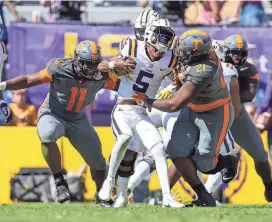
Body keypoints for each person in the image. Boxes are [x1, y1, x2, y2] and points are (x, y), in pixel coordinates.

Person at [0, 40, 133, 204]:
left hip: (78, 119)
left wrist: (140, 91)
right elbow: (29, 79)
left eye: (95, 64)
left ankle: (102, 195)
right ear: (77, 60)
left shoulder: (102, 74)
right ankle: (59, 181)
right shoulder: (60, 68)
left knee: (98, 163)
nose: (92, 68)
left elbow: (124, 88)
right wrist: (3, 85)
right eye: (88, 64)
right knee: (47, 134)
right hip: (53, 113)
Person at [134, 30, 241, 207]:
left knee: (205, 164)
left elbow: (175, 104)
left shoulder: (204, 68)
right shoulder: (195, 53)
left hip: (214, 112)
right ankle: (202, 194)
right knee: (176, 151)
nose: (179, 53)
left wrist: (147, 101)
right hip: (192, 109)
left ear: (198, 54)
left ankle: (230, 160)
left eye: (185, 51)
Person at [98, 18, 184, 208]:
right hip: (122, 109)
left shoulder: (170, 58)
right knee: (125, 138)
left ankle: (166, 198)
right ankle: (108, 183)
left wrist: (173, 85)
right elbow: (101, 66)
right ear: (149, 37)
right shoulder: (131, 47)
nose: (158, 52)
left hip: (143, 112)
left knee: (159, 148)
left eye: (166, 40)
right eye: (156, 47)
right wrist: (114, 65)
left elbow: (178, 79)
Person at [223, 34, 272, 202]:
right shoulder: (212, 66)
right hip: (208, 112)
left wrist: (230, 89)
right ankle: (170, 195)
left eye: (240, 53)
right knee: (187, 153)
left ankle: (269, 185)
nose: (237, 57)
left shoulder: (248, 69)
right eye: (233, 53)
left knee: (260, 153)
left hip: (235, 112)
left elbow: (249, 95)